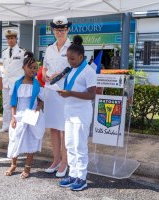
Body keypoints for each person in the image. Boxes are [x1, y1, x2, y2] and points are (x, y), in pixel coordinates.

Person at [57, 35, 96, 191]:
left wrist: (70, 93)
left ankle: (82, 177)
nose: (69, 62)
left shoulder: (88, 71)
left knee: (80, 146)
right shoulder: (72, 70)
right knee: (70, 145)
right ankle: (72, 174)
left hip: (81, 113)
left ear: (81, 57)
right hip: (70, 112)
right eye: (68, 58)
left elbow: (92, 94)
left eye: (72, 59)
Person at [4, 51, 44, 179]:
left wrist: (37, 109)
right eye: (30, 67)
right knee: (15, 138)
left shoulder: (37, 85)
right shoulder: (17, 84)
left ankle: (27, 167)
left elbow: (41, 101)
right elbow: (14, 102)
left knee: (30, 140)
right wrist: (13, 118)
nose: (33, 70)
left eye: (35, 68)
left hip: (31, 115)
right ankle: (13, 164)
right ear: (23, 68)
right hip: (19, 115)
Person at [42, 16, 72, 177]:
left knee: (65, 129)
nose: (59, 32)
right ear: (53, 30)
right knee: (54, 128)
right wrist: (46, 74)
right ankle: (56, 160)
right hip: (50, 92)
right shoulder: (49, 48)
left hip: (65, 93)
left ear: (68, 29)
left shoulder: (73, 47)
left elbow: (75, 69)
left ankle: (65, 162)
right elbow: (44, 67)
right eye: (57, 29)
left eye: (63, 29)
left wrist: (59, 75)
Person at [0, 29, 25, 133]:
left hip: (17, 83)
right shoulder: (4, 52)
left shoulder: (22, 52)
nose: (10, 40)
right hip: (6, 83)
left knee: (18, 105)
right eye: (8, 38)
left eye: (12, 38)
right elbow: (5, 67)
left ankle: (17, 125)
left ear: (16, 39)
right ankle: (6, 125)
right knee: (6, 105)